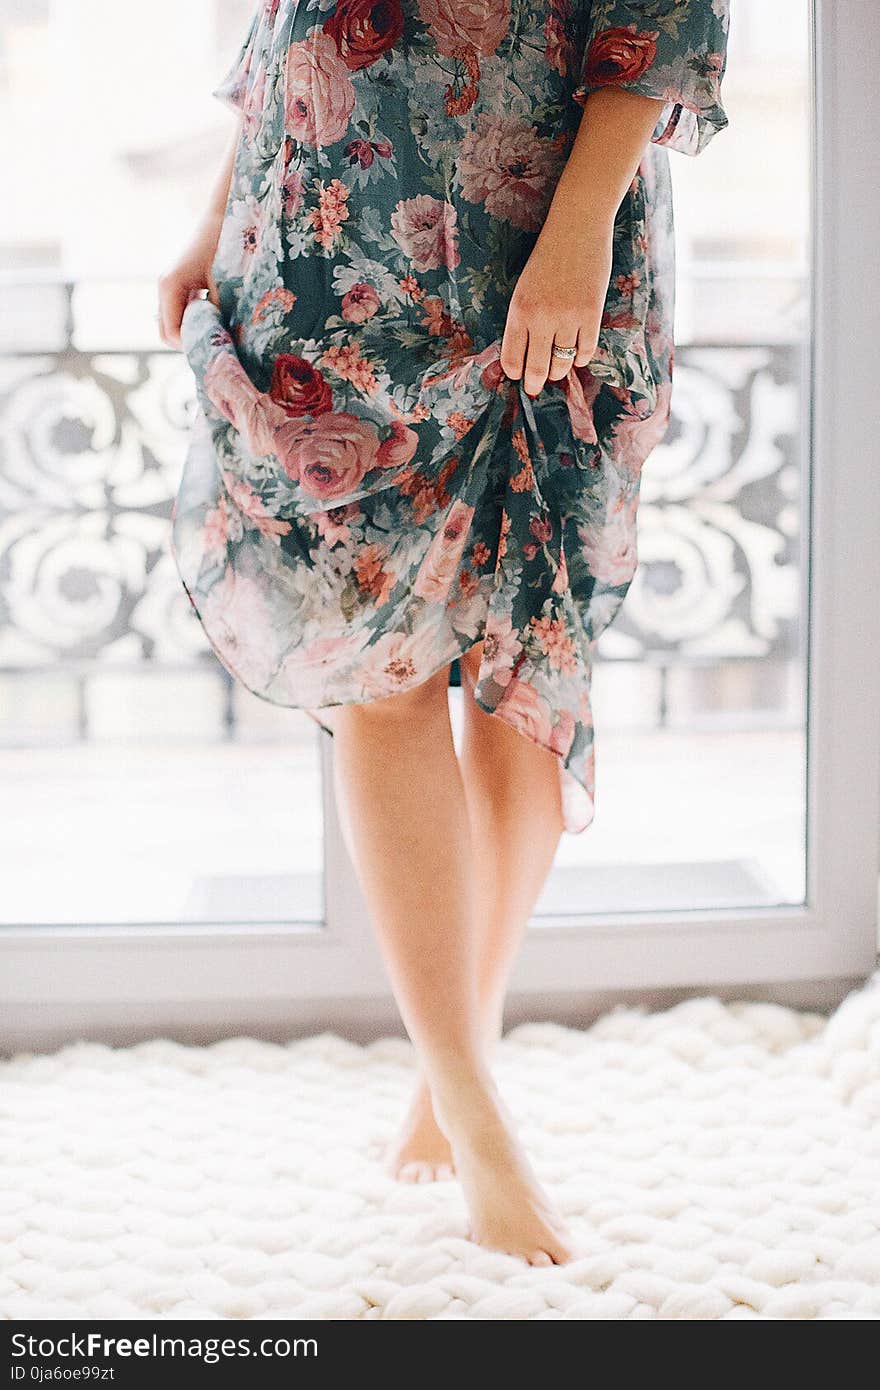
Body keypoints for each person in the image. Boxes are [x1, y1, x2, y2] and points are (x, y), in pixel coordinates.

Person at [158, 0, 730, 1265]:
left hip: (535, 230)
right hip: (319, 242)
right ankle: (471, 1097)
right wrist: (212, 215)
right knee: (383, 675)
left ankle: (454, 1043)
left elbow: (665, 12)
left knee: (521, 672)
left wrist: (581, 223)